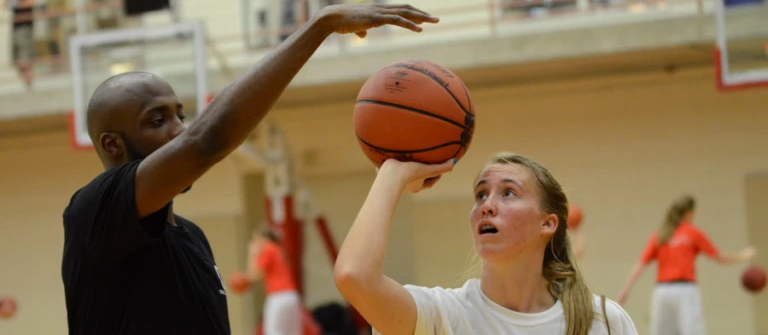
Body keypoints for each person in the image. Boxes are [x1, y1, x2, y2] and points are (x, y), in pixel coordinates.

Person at [60, 2, 439, 335]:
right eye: (157, 121)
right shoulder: (92, 212)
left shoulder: (191, 237)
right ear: (112, 144)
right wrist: (320, 24)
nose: (180, 129)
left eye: (180, 114)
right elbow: (205, 141)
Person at [334, 152, 639, 335]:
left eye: (508, 193)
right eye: (481, 194)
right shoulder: (444, 316)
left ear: (547, 223)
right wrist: (392, 174)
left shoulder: (603, 320)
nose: (486, 205)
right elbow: (355, 276)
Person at [616, 195, 756, 335]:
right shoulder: (693, 233)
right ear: (689, 213)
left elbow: (640, 265)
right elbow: (719, 257)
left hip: (662, 292)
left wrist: (625, 290)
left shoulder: (660, 235)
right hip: (685, 290)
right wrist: (743, 255)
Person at [246, 227, 305, 335]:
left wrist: (252, 253)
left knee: (274, 332)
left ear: (262, 239)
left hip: (278, 296)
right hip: (292, 296)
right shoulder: (278, 249)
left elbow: (254, 274)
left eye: (255, 240)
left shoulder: (268, 249)